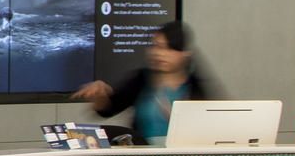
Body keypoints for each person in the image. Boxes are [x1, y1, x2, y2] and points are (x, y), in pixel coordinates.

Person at [74, 19, 215, 145]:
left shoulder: (196, 87)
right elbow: (106, 110)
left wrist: (178, 122)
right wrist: (100, 95)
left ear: (184, 54)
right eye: (155, 46)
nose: (158, 53)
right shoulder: (141, 79)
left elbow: (208, 132)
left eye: (167, 48)